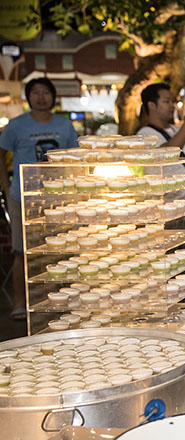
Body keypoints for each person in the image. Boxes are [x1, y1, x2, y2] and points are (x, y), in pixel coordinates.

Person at [0, 78, 79, 320]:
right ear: (28, 97)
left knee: (61, 251)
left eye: (46, 92)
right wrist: (6, 187)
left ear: (53, 97)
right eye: (36, 92)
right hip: (21, 196)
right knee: (21, 251)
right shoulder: (15, 125)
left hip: (57, 197)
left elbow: (75, 158)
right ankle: (20, 303)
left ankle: (62, 299)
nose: (41, 97)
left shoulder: (64, 125)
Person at [136, 83, 185, 158]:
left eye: (173, 101)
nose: (172, 106)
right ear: (151, 105)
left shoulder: (178, 129)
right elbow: (169, 152)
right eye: (167, 101)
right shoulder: (144, 134)